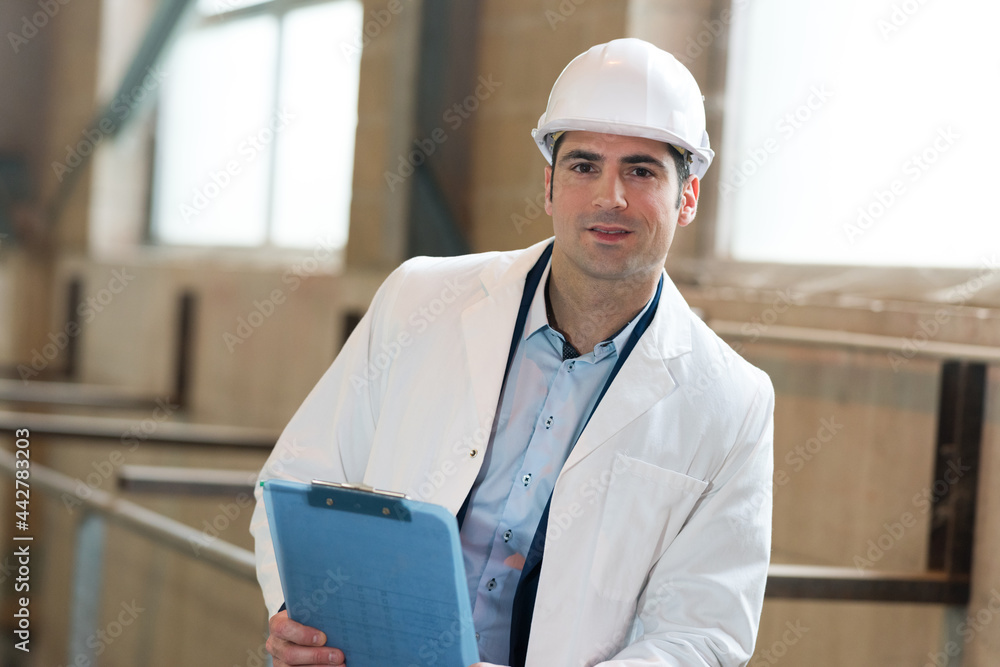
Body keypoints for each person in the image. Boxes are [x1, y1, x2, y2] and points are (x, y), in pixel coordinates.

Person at [250, 37, 774, 667]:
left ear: (686, 196)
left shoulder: (731, 402)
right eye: (584, 166)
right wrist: (300, 616)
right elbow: (301, 481)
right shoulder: (420, 299)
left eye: (641, 170)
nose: (611, 196)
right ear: (550, 185)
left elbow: (706, 632)